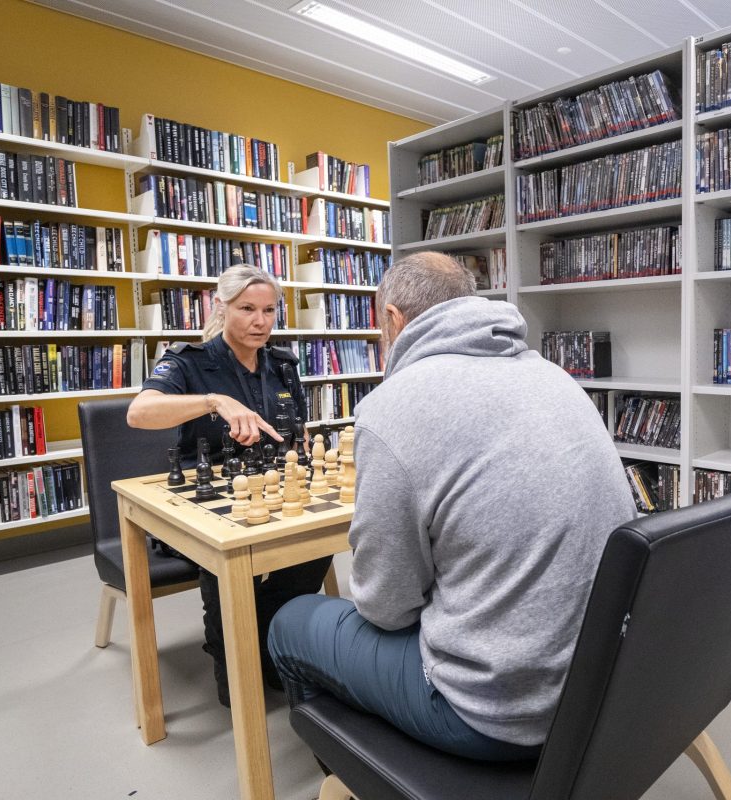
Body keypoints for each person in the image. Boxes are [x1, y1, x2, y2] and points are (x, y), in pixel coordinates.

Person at [267, 252, 637, 761]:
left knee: (291, 621)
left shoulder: (393, 405)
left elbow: (386, 609)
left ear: (393, 320)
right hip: (602, 691)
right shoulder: (554, 377)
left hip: (493, 715)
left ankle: (351, 770)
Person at [126, 264, 330, 706]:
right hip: (205, 500)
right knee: (226, 559)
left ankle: (265, 640)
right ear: (221, 307)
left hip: (272, 490)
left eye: (270, 310)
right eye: (247, 309)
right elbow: (139, 413)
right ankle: (234, 656)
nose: (261, 322)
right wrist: (213, 400)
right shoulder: (187, 361)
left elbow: (297, 432)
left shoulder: (282, 364)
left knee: (318, 541)